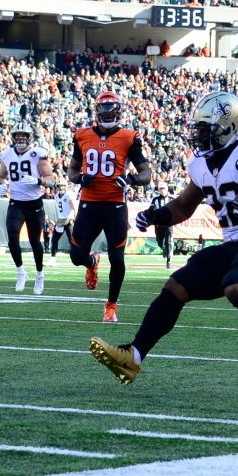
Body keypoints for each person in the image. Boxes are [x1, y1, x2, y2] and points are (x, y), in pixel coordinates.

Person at [91, 91, 238, 395]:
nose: (199, 136)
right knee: (176, 286)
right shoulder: (201, 163)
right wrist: (156, 216)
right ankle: (133, 356)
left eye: (206, 129)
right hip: (234, 244)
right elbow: (183, 206)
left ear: (229, 126)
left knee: (237, 287)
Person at [66, 91, 153, 322]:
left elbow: (146, 174)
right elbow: (71, 171)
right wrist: (79, 179)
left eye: (111, 112)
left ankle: (111, 305)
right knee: (76, 255)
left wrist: (132, 179)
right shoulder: (82, 135)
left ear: (119, 113)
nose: (107, 116)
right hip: (89, 204)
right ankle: (91, 261)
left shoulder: (128, 137)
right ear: (96, 113)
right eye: (103, 112)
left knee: (118, 258)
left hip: (115, 205)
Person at [0, 122, 56, 294]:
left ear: (29, 137)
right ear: (13, 137)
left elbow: (51, 178)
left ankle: (39, 275)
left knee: (35, 241)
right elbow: (0, 174)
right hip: (16, 202)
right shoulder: (7, 154)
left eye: (23, 135)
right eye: (17, 135)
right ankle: (21, 271)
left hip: (34, 203)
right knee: (12, 236)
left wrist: (38, 181)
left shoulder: (38, 154)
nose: (20, 138)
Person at [49, 181, 74, 263]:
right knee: (54, 239)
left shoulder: (68, 194)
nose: (61, 187)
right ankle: (52, 259)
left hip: (69, 219)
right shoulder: (56, 196)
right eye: (59, 186)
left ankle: (77, 256)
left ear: (66, 186)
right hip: (60, 220)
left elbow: (75, 207)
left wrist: (74, 219)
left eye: (63, 186)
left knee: (72, 240)